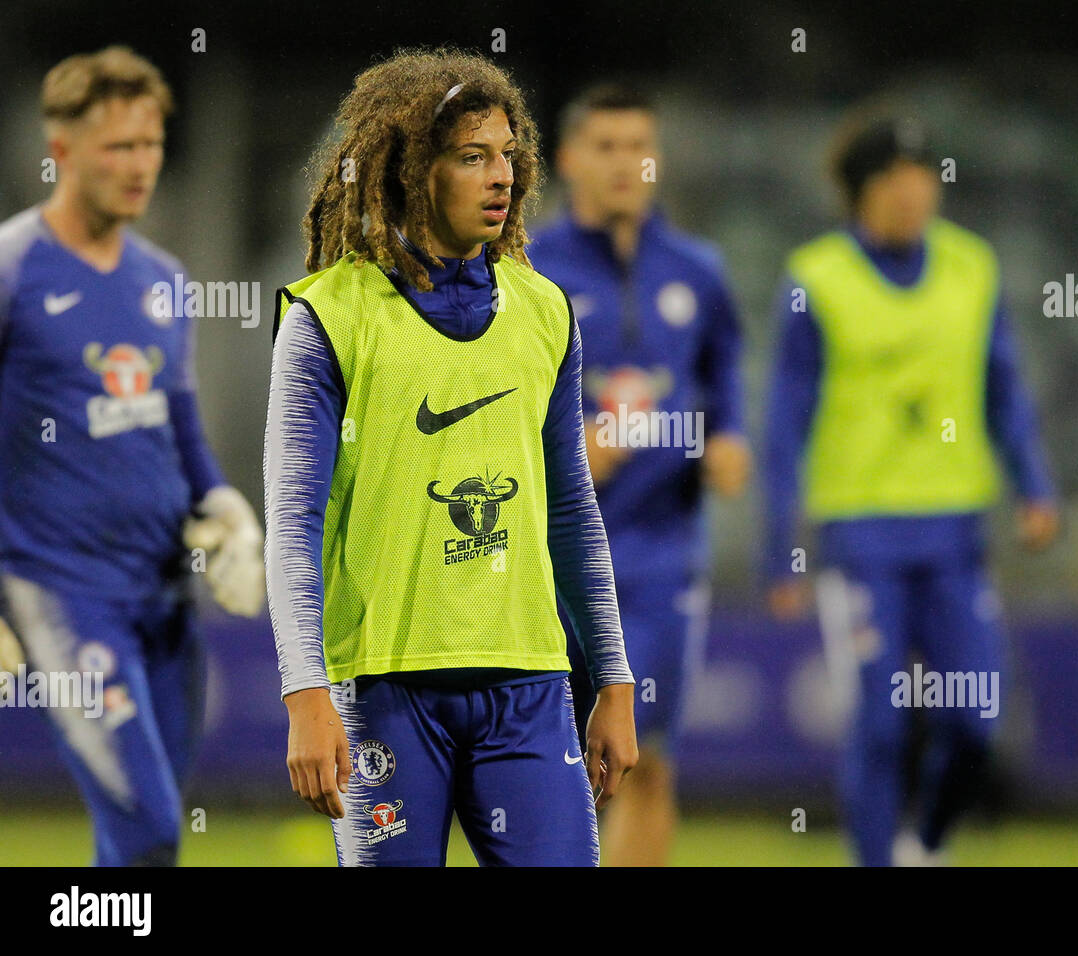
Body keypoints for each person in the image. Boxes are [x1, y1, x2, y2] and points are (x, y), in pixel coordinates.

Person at [264, 48, 637, 867]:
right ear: (410, 172)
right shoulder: (328, 318)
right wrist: (306, 693)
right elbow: (293, 524)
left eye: (507, 155)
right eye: (472, 157)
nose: (501, 176)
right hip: (383, 692)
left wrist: (612, 678)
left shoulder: (546, 312)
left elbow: (571, 508)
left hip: (530, 685)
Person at [764, 106, 1060, 866]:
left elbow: (1005, 388)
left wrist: (1035, 486)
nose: (912, 192)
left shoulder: (973, 267)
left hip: (956, 537)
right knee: (881, 723)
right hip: (860, 539)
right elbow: (785, 423)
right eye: (893, 178)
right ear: (860, 190)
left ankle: (924, 846)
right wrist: (779, 550)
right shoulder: (815, 280)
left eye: (923, 175)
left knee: (976, 719)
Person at [0, 46, 264, 866]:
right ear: (62, 151)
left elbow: (179, 435)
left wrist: (227, 508)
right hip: (63, 595)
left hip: (164, 597)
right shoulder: (11, 270)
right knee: (149, 827)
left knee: (140, 841)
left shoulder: (165, 281)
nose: (140, 164)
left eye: (151, 144)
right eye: (118, 146)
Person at [529, 84, 749, 866]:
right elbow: (485, 397)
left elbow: (725, 370)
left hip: (662, 553)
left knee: (644, 760)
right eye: (608, 146)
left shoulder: (698, 270)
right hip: (550, 555)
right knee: (547, 769)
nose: (627, 163)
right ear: (568, 160)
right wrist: (557, 446)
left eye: (639, 146)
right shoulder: (525, 270)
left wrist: (730, 437)